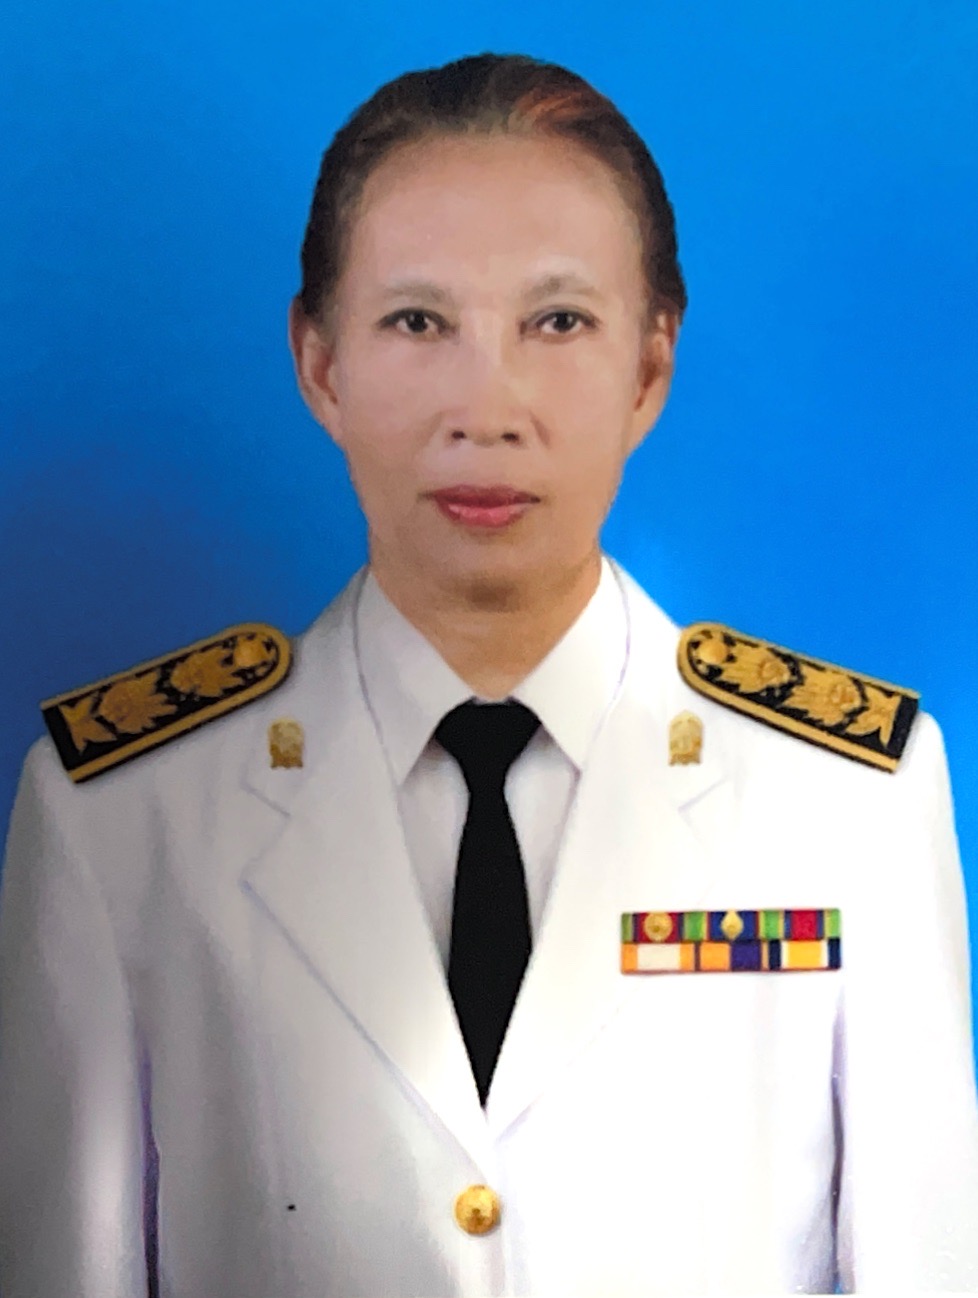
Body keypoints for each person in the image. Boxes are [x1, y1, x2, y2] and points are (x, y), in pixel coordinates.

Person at [1, 51, 977, 1297]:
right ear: (320, 363)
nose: (488, 405)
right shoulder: (123, 816)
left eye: (557, 321)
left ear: (650, 366)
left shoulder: (845, 801)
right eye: (418, 322)